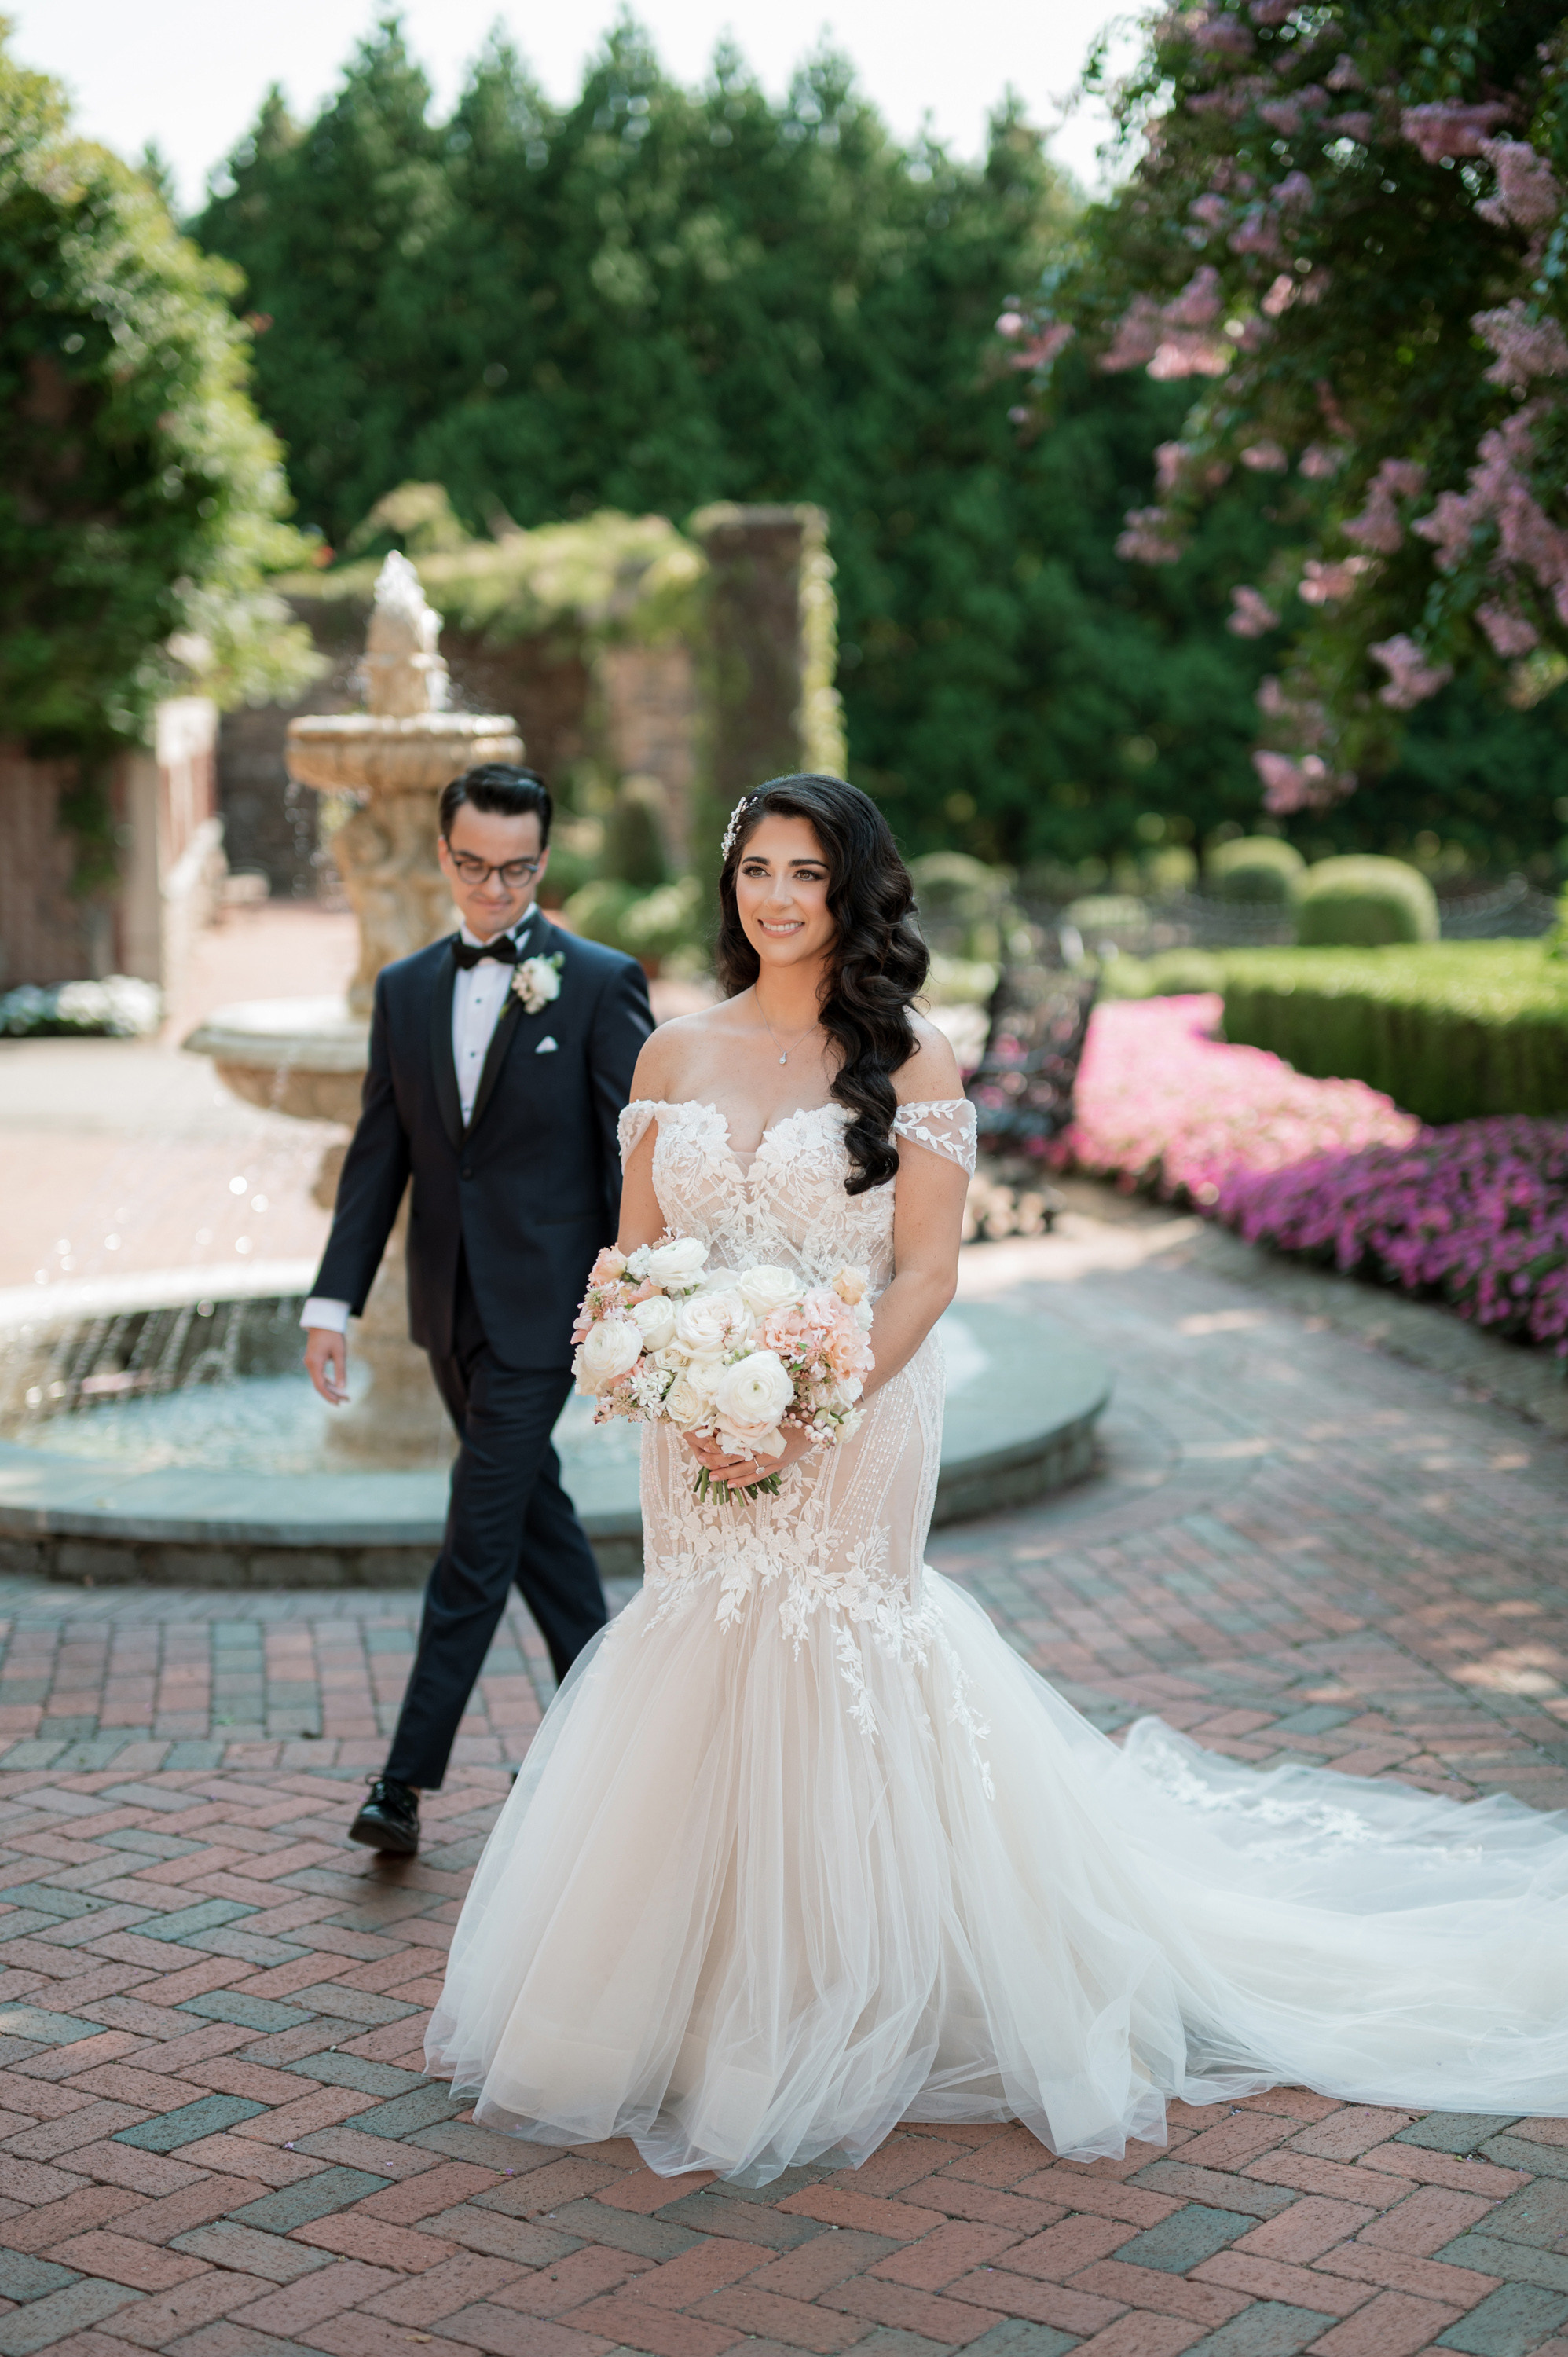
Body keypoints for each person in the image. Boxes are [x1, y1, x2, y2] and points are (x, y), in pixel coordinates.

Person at [427, 772, 1568, 2187]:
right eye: (758, 869)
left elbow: (928, 1272)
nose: (777, 897)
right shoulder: (672, 1054)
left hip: (853, 1406)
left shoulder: (914, 1060)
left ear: (854, 891)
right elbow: (635, 1259)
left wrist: (804, 1407)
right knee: (703, 1651)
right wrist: (654, 1368)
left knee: (833, 1645)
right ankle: (694, 1988)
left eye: (806, 872)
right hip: (697, 1424)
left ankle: (854, 1991)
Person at [302, 763, 653, 1857]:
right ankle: (625, 1734)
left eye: (516, 870)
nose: (493, 889)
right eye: (472, 867)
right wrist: (333, 1300)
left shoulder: (598, 982)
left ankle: (404, 1782)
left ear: (543, 862)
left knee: (476, 1536)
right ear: (447, 854)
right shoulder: (406, 989)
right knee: (536, 1526)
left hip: (548, 1313)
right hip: (445, 1308)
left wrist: (626, 1305)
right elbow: (380, 1158)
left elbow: (628, 1161)